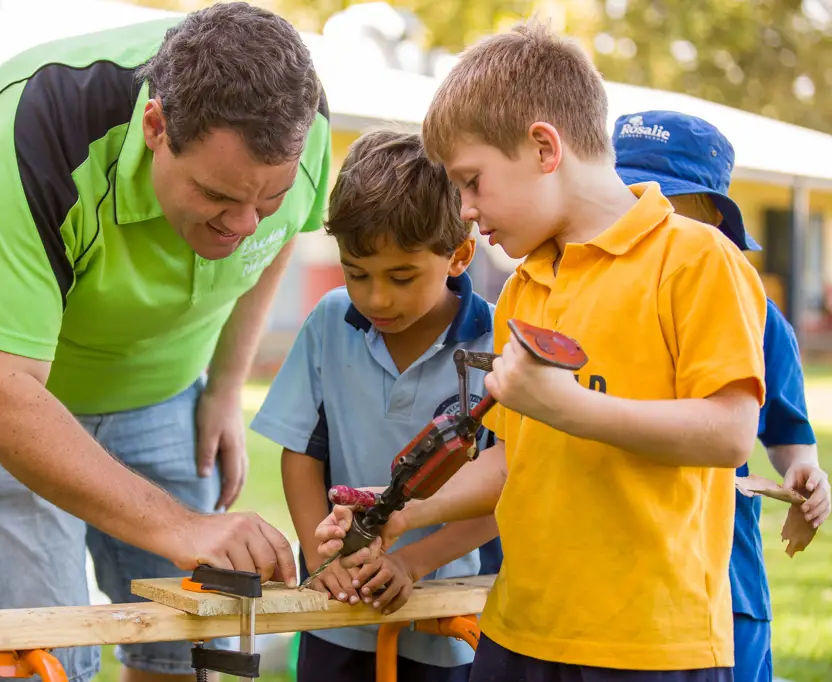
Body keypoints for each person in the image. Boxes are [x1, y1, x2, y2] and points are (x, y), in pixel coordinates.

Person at [0, 4, 331, 681]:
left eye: (267, 196)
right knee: (46, 656)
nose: (242, 222)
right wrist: (181, 526)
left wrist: (227, 386)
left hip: (156, 379)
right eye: (217, 195)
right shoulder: (40, 123)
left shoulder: (302, 121)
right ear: (156, 127)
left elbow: (279, 235)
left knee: (200, 649)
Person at [317, 20, 771, 681]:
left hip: (647, 648)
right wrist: (405, 512)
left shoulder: (697, 259)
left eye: (472, 182)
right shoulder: (525, 288)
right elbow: (514, 464)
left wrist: (565, 406)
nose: (465, 210)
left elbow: (729, 432)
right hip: (516, 634)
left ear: (543, 148)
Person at [249, 130, 500, 682]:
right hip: (335, 609)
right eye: (356, 272)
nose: (376, 298)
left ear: (459, 254)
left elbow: (506, 487)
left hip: (447, 611)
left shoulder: (497, 344)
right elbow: (301, 454)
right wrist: (323, 562)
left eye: (401, 276)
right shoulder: (328, 320)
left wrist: (414, 561)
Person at [611, 109, 831, 682]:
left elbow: (787, 431)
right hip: (613, 562)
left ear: (713, 216)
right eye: (627, 195)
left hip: (721, 569)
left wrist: (805, 472)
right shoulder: (590, 296)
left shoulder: (755, 311)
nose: (644, 215)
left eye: (664, 200)